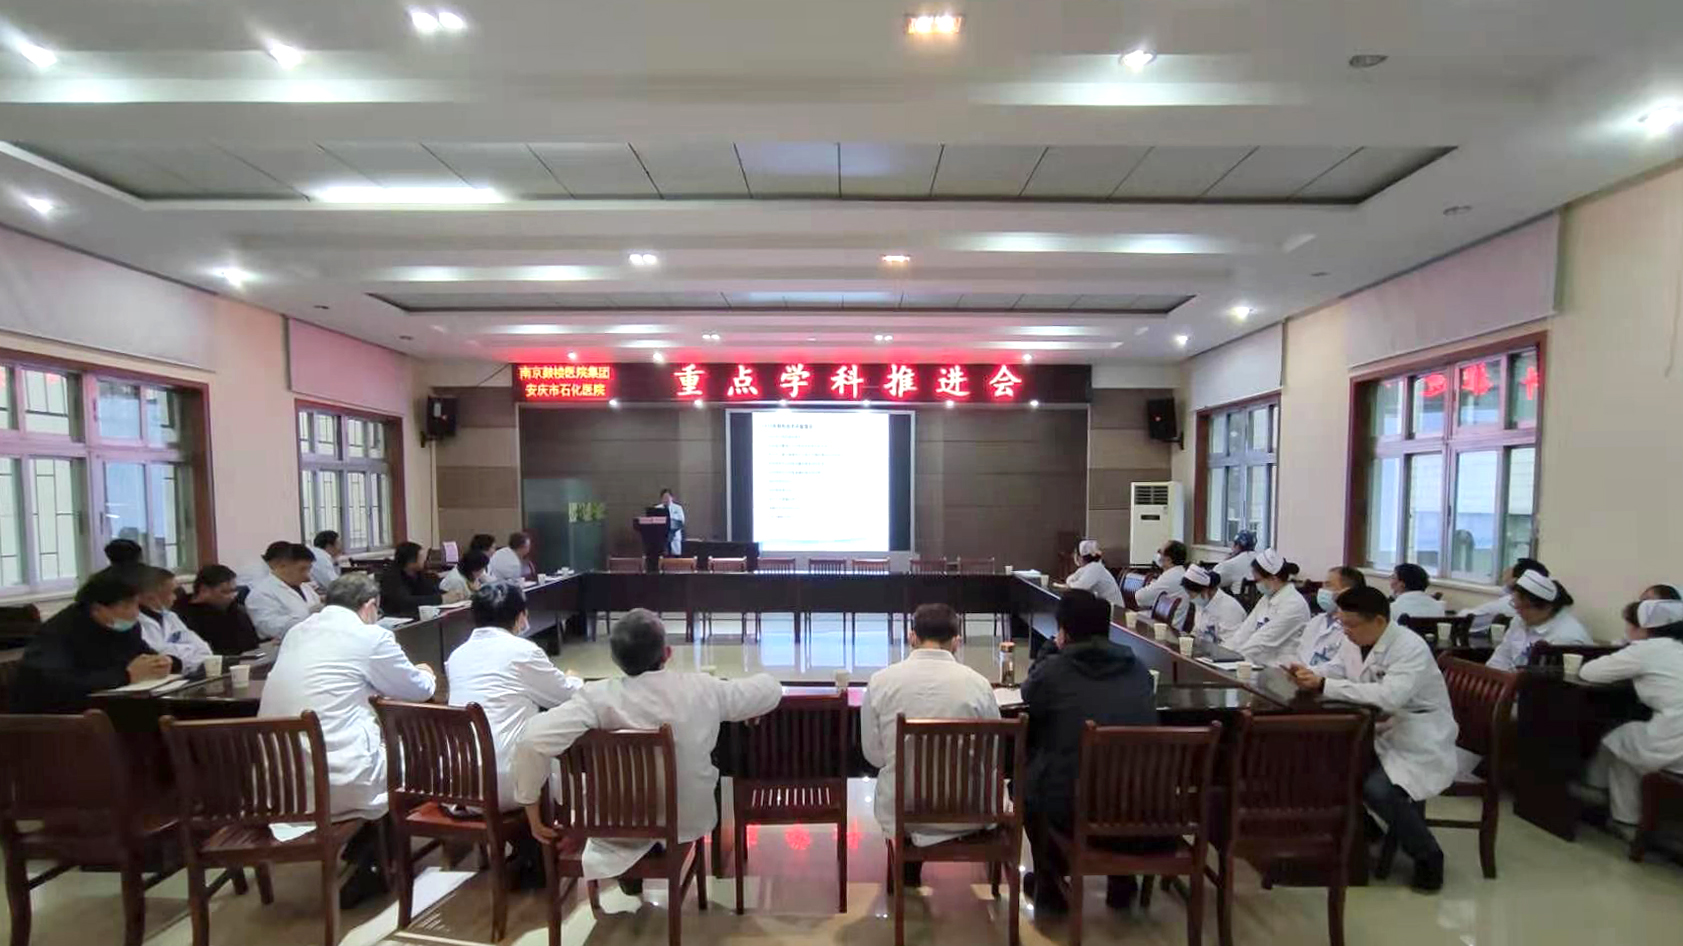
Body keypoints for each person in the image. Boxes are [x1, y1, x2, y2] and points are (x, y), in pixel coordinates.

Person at [513, 609, 779, 892]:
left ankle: (633, 855)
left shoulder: (596, 698)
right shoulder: (702, 688)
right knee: (689, 794)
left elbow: (532, 740)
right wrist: (759, 696)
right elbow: (769, 690)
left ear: (615, 659)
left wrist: (530, 806)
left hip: (617, 821)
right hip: (685, 817)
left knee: (619, 808)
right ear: (667, 653)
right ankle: (655, 851)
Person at [258, 572, 437, 905]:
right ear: (369, 606)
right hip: (338, 778)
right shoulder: (371, 636)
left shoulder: (297, 633)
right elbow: (415, 690)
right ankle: (376, 860)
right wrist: (426, 672)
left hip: (283, 784)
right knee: (421, 751)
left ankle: (367, 847)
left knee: (379, 747)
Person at [1288, 585, 1458, 892]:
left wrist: (1324, 685)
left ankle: (1428, 855)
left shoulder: (1410, 647)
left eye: (1351, 625)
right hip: (1375, 728)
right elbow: (1337, 669)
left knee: (1377, 789)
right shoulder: (1355, 638)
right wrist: (1309, 673)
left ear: (1379, 621)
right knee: (1318, 767)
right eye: (1342, 624)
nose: (1345, 631)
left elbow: (1390, 697)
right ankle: (1367, 832)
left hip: (1417, 733)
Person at [1020, 589, 1159, 912]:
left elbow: (1030, 694)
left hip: (1075, 810)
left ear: (1064, 631)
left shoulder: (1054, 671)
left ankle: (1050, 885)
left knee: (1026, 785)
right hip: (1140, 808)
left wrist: (1048, 652)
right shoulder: (1138, 670)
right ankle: (1121, 878)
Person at [860, 603, 1000, 887]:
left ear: (912, 637)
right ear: (957, 642)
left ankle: (909, 862)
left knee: (899, 783)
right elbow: (993, 754)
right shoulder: (979, 685)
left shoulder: (880, 682)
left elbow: (874, 755)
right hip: (969, 809)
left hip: (904, 809)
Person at [1581, 599, 1683, 833]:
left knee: (1619, 739)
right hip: (1673, 733)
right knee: (1625, 742)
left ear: (1643, 628)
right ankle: (1620, 815)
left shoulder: (1648, 649)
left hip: (1674, 740)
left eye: (1629, 625)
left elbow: (1590, 672)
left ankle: (1599, 796)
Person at [9, 569, 175, 713]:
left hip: (110, 706)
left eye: (136, 605)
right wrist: (125, 676)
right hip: (55, 717)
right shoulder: (59, 631)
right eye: (126, 606)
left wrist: (162, 662)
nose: (135, 613)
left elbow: (142, 654)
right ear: (97, 608)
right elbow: (55, 683)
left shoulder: (126, 627)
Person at [1486, 571, 1594, 671]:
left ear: (1548, 607)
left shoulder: (1568, 637)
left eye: (1524, 607)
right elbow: (1501, 657)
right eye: (1515, 605)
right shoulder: (1519, 620)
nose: (1518, 612)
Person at [1227, 549, 1311, 667]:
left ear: (1273, 578)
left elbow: (1263, 641)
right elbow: (1245, 631)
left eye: (1258, 580)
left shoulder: (1294, 605)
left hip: (1280, 668)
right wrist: (1224, 652)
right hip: (1257, 662)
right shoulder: (1267, 598)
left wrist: (1234, 658)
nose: (1256, 585)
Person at [133, 565, 213, 674]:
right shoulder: (134, 623)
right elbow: (158, 657)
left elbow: (204, 650)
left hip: (187, 676)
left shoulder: (171, 617)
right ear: (150, 596)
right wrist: (187, 651)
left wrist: (176, 657)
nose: (175, 597)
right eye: (172, 592)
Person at [173, 564, 262, 655]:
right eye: (225, 592)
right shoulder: (179, 616)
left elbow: (252, 645)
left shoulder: (237, 611)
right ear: (204, 590)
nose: (232, 597)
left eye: (234, 591)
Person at [245, 541, 321, 642]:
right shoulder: (261, 594)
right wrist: (310, 615)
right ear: (282, 566)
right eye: (302, 569)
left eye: (309, 569)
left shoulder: (306, 588)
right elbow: (271, 629)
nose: (307, 575)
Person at [1298, 567, 1365, 680]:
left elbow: (1342, 670)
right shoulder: (1316, 621)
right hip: (1303, 680)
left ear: (1347, 592)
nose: (1321, 590)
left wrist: (1309, 674)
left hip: (1329, 686)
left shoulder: (1356, 630)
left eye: (1328, 585)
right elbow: (1301, 653)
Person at [379, 541, 446, 618]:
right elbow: (405, 601)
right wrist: (440, 599)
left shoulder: (417, 572)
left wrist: (446, 594)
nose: (425, 560)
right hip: (397, 617)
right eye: (421, 558)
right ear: (411, 562)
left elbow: (428, 590)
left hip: (415, 614)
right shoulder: (391, 576)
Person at [1181, 565, 1245, 645]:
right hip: (1204, 649)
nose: (1190, 598)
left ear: (1205, 591)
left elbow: (1231, 645)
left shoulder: (1230, 609)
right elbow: (1197, 631)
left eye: (1190, 594)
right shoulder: (1202, 601)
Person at [1467, 557, 1549, 618]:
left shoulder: (1509, 603)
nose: (1506, 570)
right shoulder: (1541, 602)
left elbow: (1465, 618)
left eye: (1512, 568)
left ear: (1515, 580)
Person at [1059, 539, 1124, 608]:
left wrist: (1070, 585)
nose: (1073, 556)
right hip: (1103, 606)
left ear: (1081, 557)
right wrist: (1070, 584)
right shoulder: (1087, 567)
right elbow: (1069, 579)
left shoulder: (1095, 567)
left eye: (1075, 553)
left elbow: (1081, 586)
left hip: (1114, 608)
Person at [1134, 540, 1189, 610]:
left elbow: (1140, 597)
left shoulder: (1170, 577)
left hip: (1168, 616)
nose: (1158, 556)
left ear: (1169, 560)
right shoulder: (1179, 572)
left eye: (1160, 552)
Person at [657, 488, 687, 556]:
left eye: (668, 497)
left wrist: (670, 522)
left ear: (672, 498)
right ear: (661, 499)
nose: (666, 499)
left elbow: (681, 521)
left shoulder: (678, 508)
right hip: (661, 538)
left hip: (674, 536)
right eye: (664, 497)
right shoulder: (657, 508)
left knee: (675, 556)